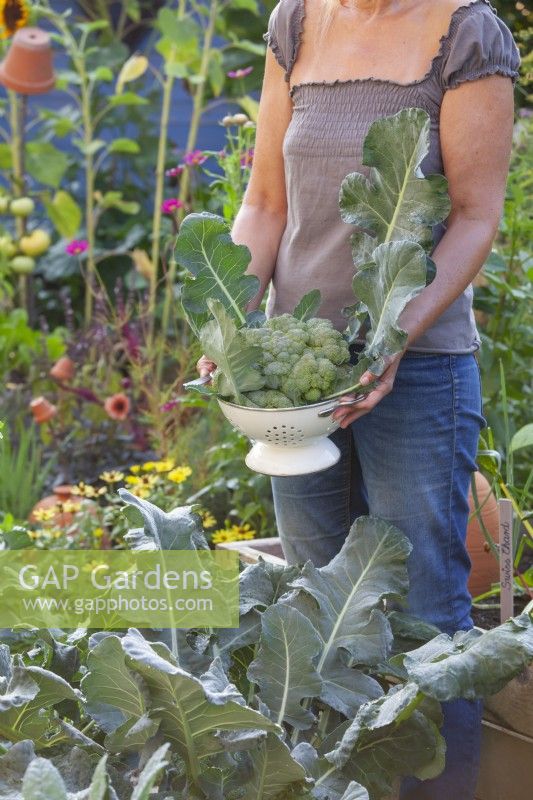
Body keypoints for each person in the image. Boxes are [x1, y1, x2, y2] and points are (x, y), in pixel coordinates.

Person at [197, 1, 520, 796]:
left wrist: (393, 335)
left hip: (417, 371)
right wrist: (228, 323)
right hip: (298, 387)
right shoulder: (296, 23)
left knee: (423, 611)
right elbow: (264, 203)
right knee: (316, 603)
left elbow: (476, 218)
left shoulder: (466, 34)